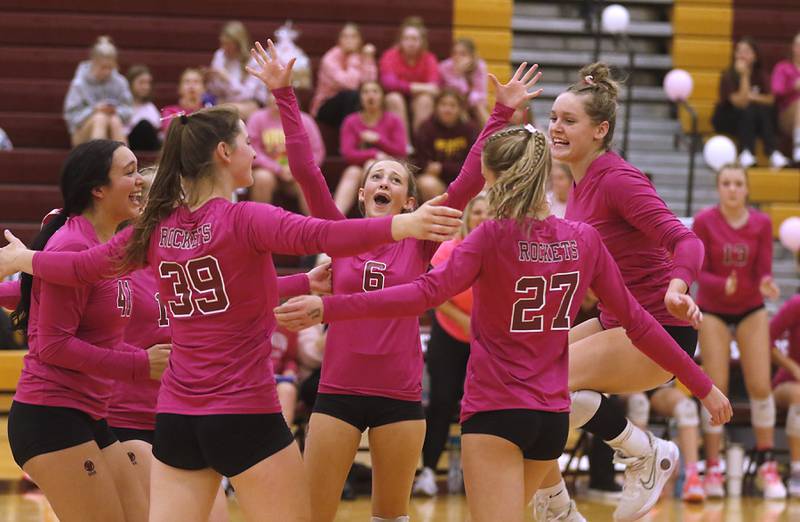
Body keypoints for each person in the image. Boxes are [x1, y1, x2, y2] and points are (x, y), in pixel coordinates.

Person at [0, 39, 464, 522]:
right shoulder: (246, 219)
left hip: (178, 418)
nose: (255, 152)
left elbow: (79, 268)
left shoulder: (155, 227)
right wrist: (402, 225)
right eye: (246, 142)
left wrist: (26, 257)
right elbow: (326, 231)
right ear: (224, 152)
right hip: (244, 410)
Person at [274, 126, 731, 522]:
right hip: (551, 417)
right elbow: (639, 323)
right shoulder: (585, 238)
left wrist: (328, 308)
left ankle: (563, 497)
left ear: (498, 181)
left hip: (495, 409)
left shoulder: (488, 237)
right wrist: (702, 385)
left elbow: (424, 294)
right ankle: (560, 499)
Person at [271, 45, 541, 520]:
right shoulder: (339, 236)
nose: (384, 182)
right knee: (312, 513)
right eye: (377, 176)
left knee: (390, 514)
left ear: (410, 200)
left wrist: (500, 112)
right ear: (361, 194)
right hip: (338, 391)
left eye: (395, 179)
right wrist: (284, 96)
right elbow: (305, 172)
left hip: (399, 394)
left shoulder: (418, 242)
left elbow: (466, 184)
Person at [533, 63, 720, 522]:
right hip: (619, 319)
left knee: (543, 387)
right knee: (525, 379)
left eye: (569, 120)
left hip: (661, 327)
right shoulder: (576, 185)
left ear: (600, 130)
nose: (556, 127)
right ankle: (556, 504)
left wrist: (679, 284)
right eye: (554, 117)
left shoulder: (618, 179)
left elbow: (687, 239)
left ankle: (645, 454)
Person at [6, 141, 170, 522]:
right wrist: (140, 364)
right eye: (129, 172)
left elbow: (32, 293)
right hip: (51, 414)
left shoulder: (108, 248)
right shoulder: (72, 244)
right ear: (98, 188)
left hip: (89, 412)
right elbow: (53, 345)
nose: (139, 181)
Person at [104, 167, 230, 522]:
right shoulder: (115, 262)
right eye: (172, 202)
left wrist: (304, 282)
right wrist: (139, 360)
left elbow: (240, 294)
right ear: (143, 206)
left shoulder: (197, 261)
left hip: (186, 413)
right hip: (125, 417)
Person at [693, 164, 783, 499]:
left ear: (746, 189)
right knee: (717, 387)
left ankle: (767, 463)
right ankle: (713, 466)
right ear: (718, 188)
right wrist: (722, 283)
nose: (732, 189)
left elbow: (764, 271)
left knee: (760, 384)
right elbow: (699, 270)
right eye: (726, 183)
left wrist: (767, 284)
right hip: (713, 309)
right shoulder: (705, 221)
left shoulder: (761, 223)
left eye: (738, 184)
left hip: (751, 310)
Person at [412, 193, 488, 497]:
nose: (482, 216)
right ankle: (428, 471)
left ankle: (478, 476)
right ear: (468, 218)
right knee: (441, 402)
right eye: (477, 211)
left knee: (482, 409)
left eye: (488, 211)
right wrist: (465, 321)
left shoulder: (502, 251)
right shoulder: (451, 250)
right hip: (450, 336)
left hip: (487, 342)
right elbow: (434, 293)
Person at [712, 37, 788, 169]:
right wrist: (744, 76)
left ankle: (771, 153)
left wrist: (752, 97)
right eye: (739, 51)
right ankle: (748, 151)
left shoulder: (761, 74)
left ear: (755, 56)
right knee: (749, 109)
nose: (742, 55)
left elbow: (770, 99)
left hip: (754, 120)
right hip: (728, 118)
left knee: (762, 109)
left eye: (746, 51)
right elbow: (740, 102)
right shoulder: (728, 75)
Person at [336, 81, 407, 214]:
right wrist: (374, 154)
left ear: (382, 97)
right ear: (360, 97)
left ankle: (372, 218)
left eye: (375, 91)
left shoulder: (394, 120)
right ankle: (334, 218)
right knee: (352, 171)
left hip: (391, 169)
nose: (370, 96)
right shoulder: (351, 121)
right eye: (366, 92)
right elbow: (347, 154)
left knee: (370, 165)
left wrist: (378, 140)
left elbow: (401, 150)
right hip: (359, 168)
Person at [247, 93, 325, 209]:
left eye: (281, 93)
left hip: (297, 172)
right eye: (273, 93)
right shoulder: (257, 118)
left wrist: (298, 169)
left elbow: (317, 151)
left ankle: (317, 225)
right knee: (262, 178)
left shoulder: (305, 120)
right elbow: (252, 149)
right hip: (267, 170)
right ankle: (258, 225)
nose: (277, 98)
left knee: (308, 180)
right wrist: (277, 169)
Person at [64, 36, 133, 147]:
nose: (106, 71)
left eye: (110, 68)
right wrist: (94, 110)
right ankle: (96, 160)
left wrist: (115, 111)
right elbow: (71, 117)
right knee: (100, 118)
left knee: (114, 120)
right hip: (82, 134)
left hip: (113, 126)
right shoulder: (79, 83)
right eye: (103, 67)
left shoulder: (120, 82)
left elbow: (129, 110)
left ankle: (124, 159)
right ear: (93, 63)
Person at [380, 17, 440, 139]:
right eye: (406, 39)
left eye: (414, 39)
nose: (410, 43)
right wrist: (417, 86)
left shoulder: (429, 58)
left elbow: (435, 87)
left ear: (421, 41)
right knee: (394, 98)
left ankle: (421, 145)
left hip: (418, 99)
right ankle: (404, 145)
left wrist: (406, 86)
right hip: (396, 99)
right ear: (400, 41)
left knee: (425, 100)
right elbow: (388, 83)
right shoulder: (390, 55)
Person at [414, 89, 478, 202]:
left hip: (464, 178)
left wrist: (442, 168)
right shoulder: (426, 129)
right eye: (443, 105)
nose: (447, 110)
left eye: (452, 106)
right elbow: (421, 164)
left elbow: (474, 164)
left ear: (460, 109)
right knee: (426, 183)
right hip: (438, 181)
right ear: (436, 107)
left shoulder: (470, 129)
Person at [311, 23, 377, 128]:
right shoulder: (330, 58)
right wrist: (354, 58)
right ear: (339, 40)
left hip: (354, 103)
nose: (349, 40)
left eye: (353, 36)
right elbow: (350, 84)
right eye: (345, 36)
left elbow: (369, 82)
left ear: (360, 40)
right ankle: (349, 140)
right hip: (326, 106)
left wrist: (368, 59)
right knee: (350, 95)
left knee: (369, 96)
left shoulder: (363, 56)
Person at [770, 293, 800, 497]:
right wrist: (795, 369)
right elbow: (764, 339)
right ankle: (797, 472)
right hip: (787, 384)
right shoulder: (796, 304)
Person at [206, 21, 267, 120]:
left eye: (228, 44)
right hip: (225, 101)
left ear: (239, 44)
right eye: (222, 43)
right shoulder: (220, 55)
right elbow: (216, 92)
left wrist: (228, 79)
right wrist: (211, 80)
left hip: (251, 103)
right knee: (216, 108)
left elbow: (247, 95)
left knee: (226, 110)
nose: (224, 48)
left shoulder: (254, 60)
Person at [438, 38, 489, 125]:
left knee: (479, 106)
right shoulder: (445, 67)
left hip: (473, 103)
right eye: (455, 53)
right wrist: (459, 75)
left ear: (472, 56)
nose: (457, 57)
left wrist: (469, 98)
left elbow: (481, 95)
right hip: (452, 101)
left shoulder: (479, 67)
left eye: (463, 54)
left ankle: (494, 135)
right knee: (458, 108)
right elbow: (453, 92)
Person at [771, 31, 800, 163]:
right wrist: (793, 88)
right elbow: (776, 92)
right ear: (793, 47)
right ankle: (798, 146)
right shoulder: (783, 67)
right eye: (799, 45)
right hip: (786, 115)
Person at [161, 68, 208, 135]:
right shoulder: (169, 111)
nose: (191, 86)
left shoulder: (209, 112)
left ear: (204, 88)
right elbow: (172, 135)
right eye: (187, 82)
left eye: (196, 82)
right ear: (179, 88)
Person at [125, 66, 161, 151]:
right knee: (143, 125)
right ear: (130, 83)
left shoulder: (150, 107)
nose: (146, 87)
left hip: (149, 146)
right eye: (141, 83)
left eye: (148, 83)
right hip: (129, 145)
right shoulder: (123, 106)